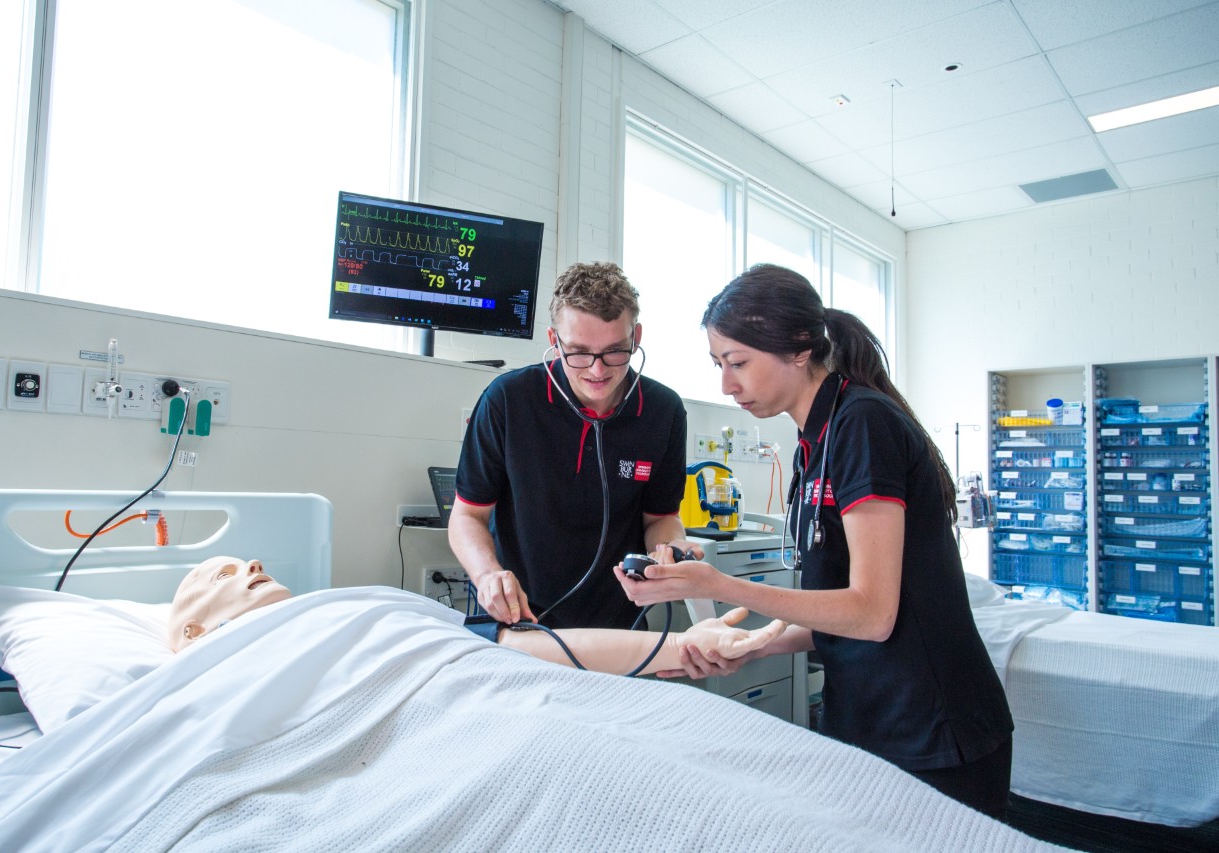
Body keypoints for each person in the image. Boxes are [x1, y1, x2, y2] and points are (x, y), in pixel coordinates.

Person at [613, 264, 1014, 819]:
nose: (726, 385)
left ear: (799, 349)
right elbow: (841, 610)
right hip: (864, 717)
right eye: (718, 365)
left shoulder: (862, 424)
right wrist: (757, 645)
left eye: (738, 363)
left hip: (931, 728)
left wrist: (723, 586)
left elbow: (872, 612)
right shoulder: (813, 442)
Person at [450, 261, 697, 629]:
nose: (597, 371)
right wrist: (487, 575)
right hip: (520, 621)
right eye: (579, 353)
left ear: (637, 337)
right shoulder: (508, 401)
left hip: (617, 626)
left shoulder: (664, 411)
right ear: (554, 341)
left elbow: (660, 518)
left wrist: (671, 550)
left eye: (615, 351)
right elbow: (467, 516)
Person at [167, 556, 786, 676]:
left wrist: (681, 648)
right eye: (222, 573)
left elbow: (502, 651)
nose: (249, 562)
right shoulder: (213, 672)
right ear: (194, 635)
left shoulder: (342, 612)